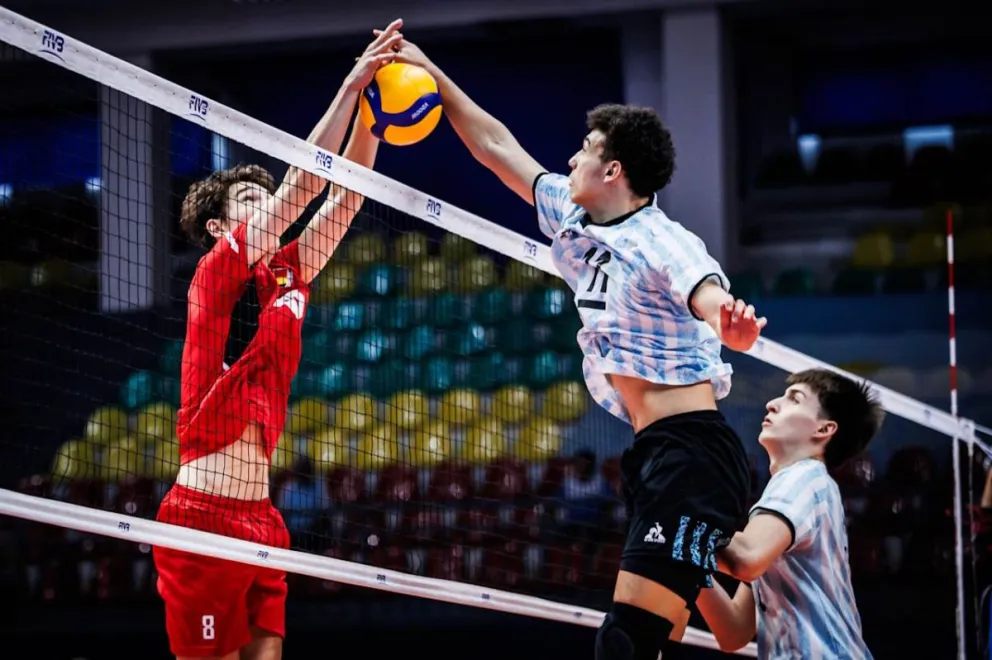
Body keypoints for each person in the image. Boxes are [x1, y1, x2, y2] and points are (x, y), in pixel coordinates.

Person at [389, 37, 766, 659]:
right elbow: (496, 148)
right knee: (663, 643)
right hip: (654, 455)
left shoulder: (662, 239)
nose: (570, 159)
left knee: (626, 643)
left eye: (585, 151)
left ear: (612, 171)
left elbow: (702, 289)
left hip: (692, 457)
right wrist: (433, 74)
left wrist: (728, 326)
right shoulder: (572, 216)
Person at [152, 21, 402, 660]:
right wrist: (351, 84)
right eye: (247, 197)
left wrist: (373, 121)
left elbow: (343, 197)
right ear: (217, 226)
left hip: (262, 519)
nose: (264, 201)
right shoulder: (215, 274)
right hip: (201, 518)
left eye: (264, 194)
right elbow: (303, 186)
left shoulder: (289, 272)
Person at [696, 368, 884, 659]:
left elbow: (744, 558)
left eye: (794, 399)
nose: (772, 403)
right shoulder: (794, 498)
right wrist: (685, 564)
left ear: (823, 429)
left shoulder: (805, 478)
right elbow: (734, 632)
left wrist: (679, 524)